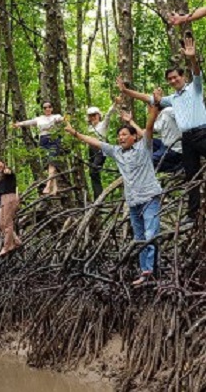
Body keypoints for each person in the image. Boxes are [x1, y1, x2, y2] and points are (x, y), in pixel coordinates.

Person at [65, 103, 162, 286]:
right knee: (139, 238)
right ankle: (146, 271)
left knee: (151, 235)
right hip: (133, 202)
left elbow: (149, 127)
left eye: (124, 135)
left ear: (134, 137)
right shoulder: (117, 152)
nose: (121, 138)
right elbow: (95, 142)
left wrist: (152, 109)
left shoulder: (144, 147)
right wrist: (74, 133)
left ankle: (151, 272)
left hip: (149, 198)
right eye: (119, 136)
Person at [117, 33, 206, 226]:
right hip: (187, 140)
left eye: (175, 77)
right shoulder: (172, 99)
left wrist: (191, 57)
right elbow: (149, 99)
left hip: (202, 133)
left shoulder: (194, 89)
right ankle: (193, 216)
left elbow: (197, 73)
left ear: (182, 77)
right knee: (191, 178)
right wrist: (126, 92)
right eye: (170, 80)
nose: (173, 81)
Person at [12, 103, 64, 195]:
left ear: (52, 108)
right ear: (43, 109)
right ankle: (55, 188)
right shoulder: (39, 119)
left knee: (52, 162)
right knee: (49, 165)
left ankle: (48, 186)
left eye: (49, 107)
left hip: (53, 139)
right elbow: (29, 122)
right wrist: (18, 124)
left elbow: (62, 119)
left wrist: (65, 119)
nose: (47, 109)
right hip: (43, 140)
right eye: (45, 108)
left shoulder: (56, 116)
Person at [87, 99, 119, 199]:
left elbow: (109, 114)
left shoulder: (102, 125)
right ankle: (98, 197)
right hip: (91, 150)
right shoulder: (89, 128)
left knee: (94, 171)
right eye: (91, 116)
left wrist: (115, 103)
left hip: (100, 150)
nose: (93, 117)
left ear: (98, 115)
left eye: (95, 115)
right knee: (93, 174)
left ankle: (99, 198)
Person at [0, 158, 21, 256]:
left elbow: (9, 172)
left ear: (3, 163)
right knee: (0, 224)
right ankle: (16, 241)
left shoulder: (8, 172)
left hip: (10, 198)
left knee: (8, 223)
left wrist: (7, 170)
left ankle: (7, 246)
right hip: (3, 199)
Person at [150, 95, 183, 173]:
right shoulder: (158, 119)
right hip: (165, 146)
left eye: (149, 107)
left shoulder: (168, 111)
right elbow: (145, 132)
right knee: (148, 141)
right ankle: (163, 158)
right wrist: (130, 122)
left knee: (149, 161)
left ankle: (176, 167)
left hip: (175, 150)